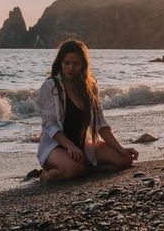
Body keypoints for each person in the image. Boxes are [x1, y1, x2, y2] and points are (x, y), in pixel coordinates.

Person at [37, 40, 138, 181]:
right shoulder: (51, 86)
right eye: (67, 63)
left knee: (124, 160)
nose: (71, 68)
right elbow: (51, 125)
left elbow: (101, 124)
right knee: (73, 170)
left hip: (83, 146)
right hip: (56, 147)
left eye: (76, 64)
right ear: (60, 63)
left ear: (83, 65)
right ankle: (45, 175)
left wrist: (121, 149)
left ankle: (86, 168)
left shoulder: (89, 88)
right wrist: (70, 146)